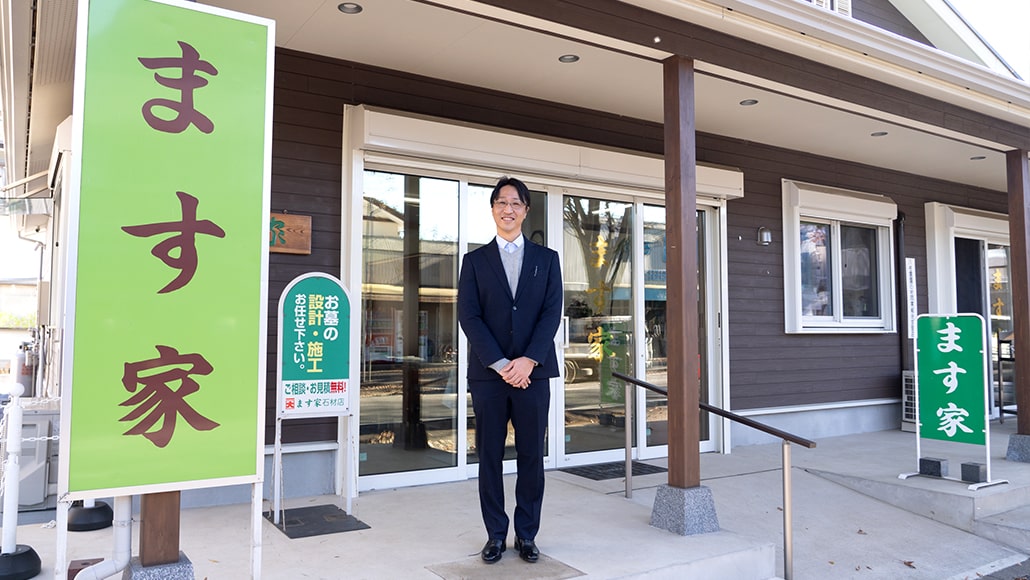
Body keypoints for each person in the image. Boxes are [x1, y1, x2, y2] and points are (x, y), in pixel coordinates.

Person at [457, 176, 562, 564]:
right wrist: (502, 364)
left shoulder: (546, 260)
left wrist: (528, 359)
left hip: (534, 374)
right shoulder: (474, 261)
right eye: (501, 202)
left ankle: (527, 535)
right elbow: (469, 316)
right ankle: (496, 535)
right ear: (492, 209)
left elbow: (551, 313)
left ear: (526, 210)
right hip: (490, 376)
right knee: (489, 456)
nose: (508, 209)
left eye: (516, 203)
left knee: (532, 456)